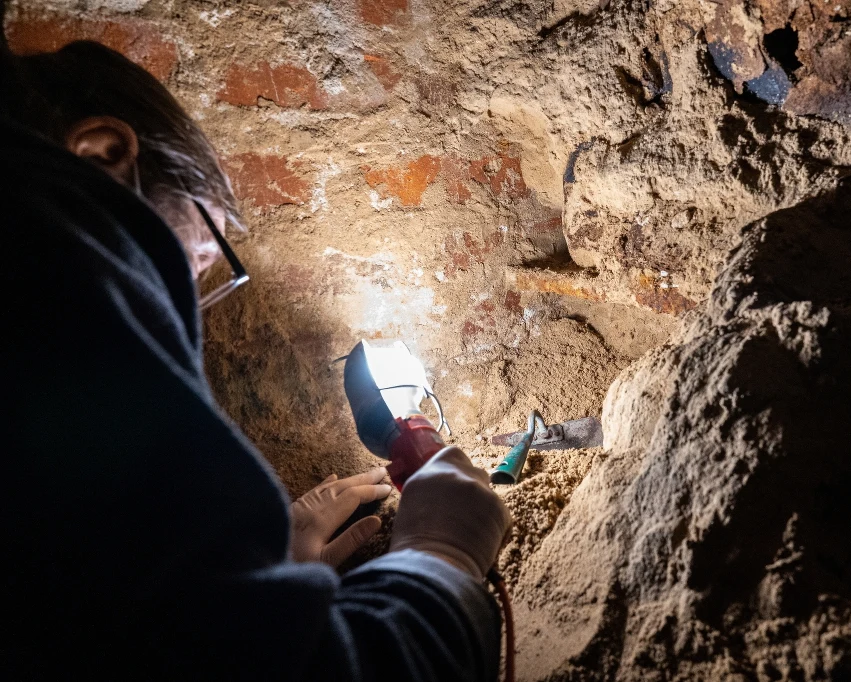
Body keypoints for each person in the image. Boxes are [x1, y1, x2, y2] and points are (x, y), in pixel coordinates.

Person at [0, 19, 512, 681]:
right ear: (101, 156)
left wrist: (255, 578)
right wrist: (441, 557)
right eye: (195, 261)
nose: (187, 310)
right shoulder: (50, 317)